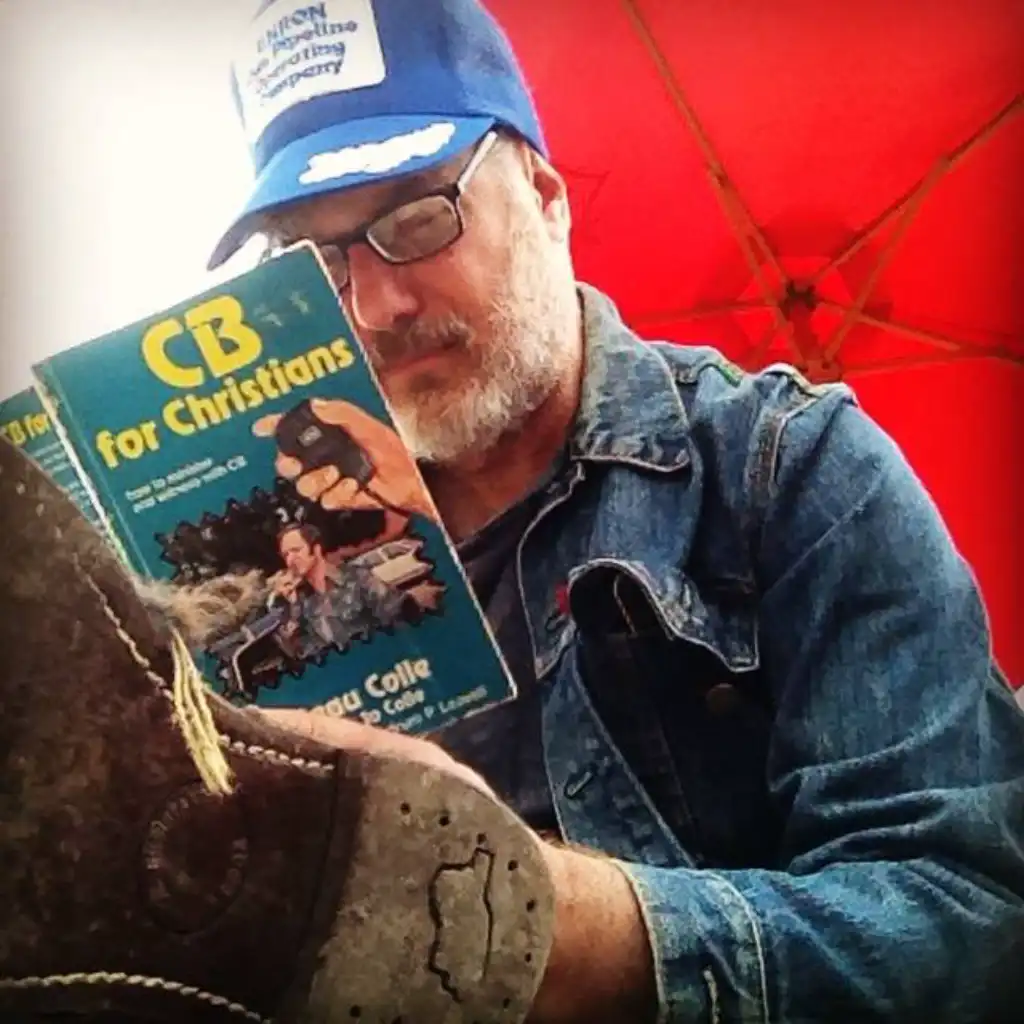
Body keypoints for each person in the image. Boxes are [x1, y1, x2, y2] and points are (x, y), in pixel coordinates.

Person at [5, 1, 1021, 1022]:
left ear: (543, 196)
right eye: (318, 262)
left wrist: (517, 909)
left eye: (417, 220)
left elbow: (969, 925)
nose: (376, 307)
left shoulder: (791, 470)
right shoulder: (302, 528)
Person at [269, 522, 409, 656]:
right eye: (286, 555)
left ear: (316, 549)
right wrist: (289, 606)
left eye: (296, 550)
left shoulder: (356, 577)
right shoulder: (300, 604)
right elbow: (304, 653)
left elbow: (397, 613)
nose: (290, 560)